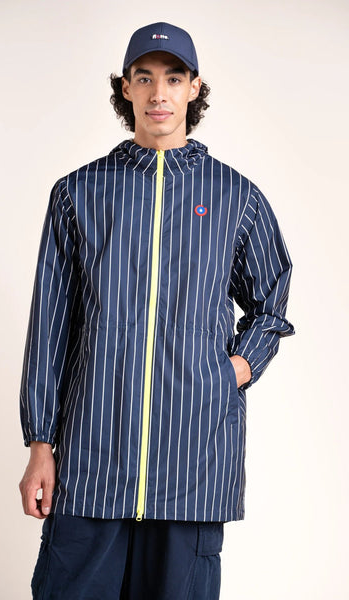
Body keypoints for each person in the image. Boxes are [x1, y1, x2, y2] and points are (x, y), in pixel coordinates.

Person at [19, 22, 294, 600]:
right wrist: (40, 443)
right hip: (92, 461)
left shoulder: (235, 197)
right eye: (144, 78)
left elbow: (271, 300)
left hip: (193, 461)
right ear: (126, 89)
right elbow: (50, 324)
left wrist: (234, 369)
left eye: (173, 78)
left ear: (195, 87)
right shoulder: (79, 193)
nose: (158, 93)